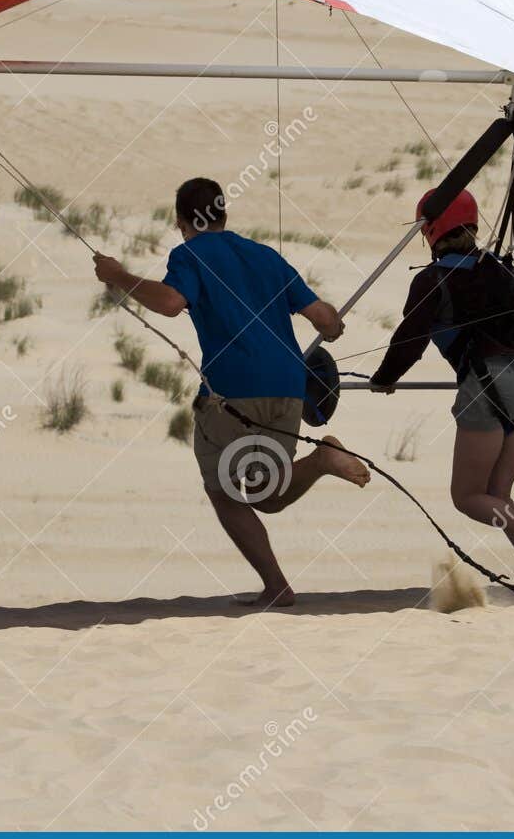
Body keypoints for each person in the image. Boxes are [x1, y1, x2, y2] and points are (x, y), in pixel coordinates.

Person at [93, 177, 370, 608]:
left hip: (235, 392)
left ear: (182, 221)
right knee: (268, 494)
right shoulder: (266, 256)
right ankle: (317, 470)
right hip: (289, 387)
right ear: (224, 214)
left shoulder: (189, 254)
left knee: (223, 490)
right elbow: (324, 318)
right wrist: (332, 326)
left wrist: (118, 277)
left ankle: (281, 573)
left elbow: (170, 303)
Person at [370, 189, 514, 596]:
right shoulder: (501, 269)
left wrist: (385, 377)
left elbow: (409, 339)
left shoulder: (432, 279)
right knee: (498, 493)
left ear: (431, 231)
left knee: (468, 496)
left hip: (488, 384)